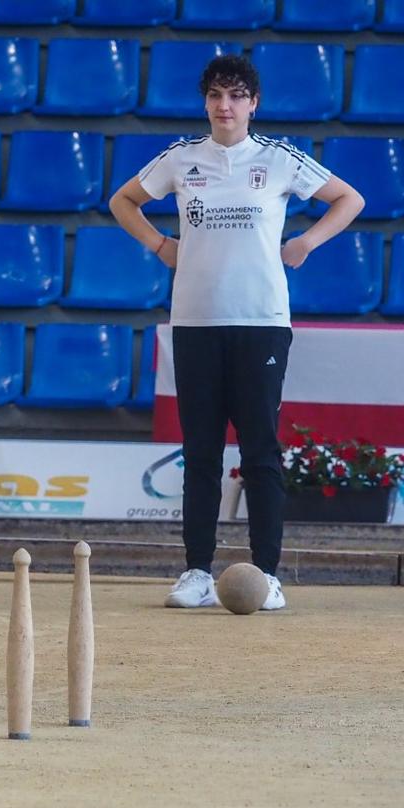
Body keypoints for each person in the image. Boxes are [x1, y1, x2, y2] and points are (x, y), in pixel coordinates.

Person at [109, 55, 364, 611]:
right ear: (205, 102)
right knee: (200, 452)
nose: (225, 106)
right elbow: (122, 201)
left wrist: (306, 243)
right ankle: (197, 570)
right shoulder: (181, 159)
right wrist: (160, 245)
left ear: (254, 103)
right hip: (196, 323)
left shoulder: (277, 160)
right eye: (216, 95)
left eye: (237, 95)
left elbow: (350, 199)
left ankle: (267, 573)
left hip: (261, 323)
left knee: (260, 453)